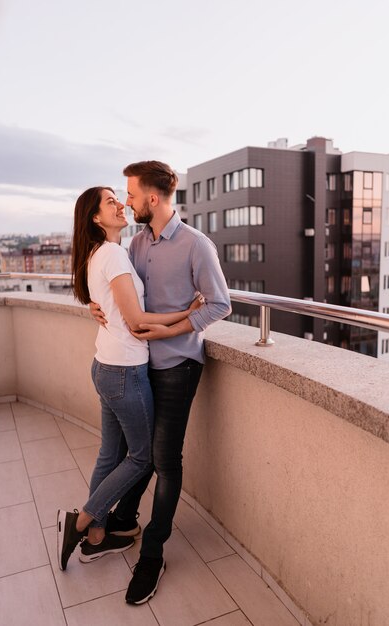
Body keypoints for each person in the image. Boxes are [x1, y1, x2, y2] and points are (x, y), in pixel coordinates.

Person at [89, 161, 231, 604]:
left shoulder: (196, 245)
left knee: (165, 459)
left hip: (178, 367)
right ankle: (125, 522)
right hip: (139, 365)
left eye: (130, 194)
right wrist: (96, 309)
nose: (127, 202)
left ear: (153, 198)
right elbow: (123, 296)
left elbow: (220, 305)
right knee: (140, 455)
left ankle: (152, 553)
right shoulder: (134, 244)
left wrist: (170, 330)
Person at [57, 186, 203, 571]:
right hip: (124, 372)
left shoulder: (96, 254)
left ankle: (97, 538)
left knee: (110, 454)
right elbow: (138, 322)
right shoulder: (115, 254)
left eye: (120, 198)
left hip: (105, 365)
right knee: (141, 459)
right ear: (95, 217)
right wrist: (185, 315)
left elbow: (115, 307)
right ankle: (83, 521)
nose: (120, 204)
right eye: (110, 201)